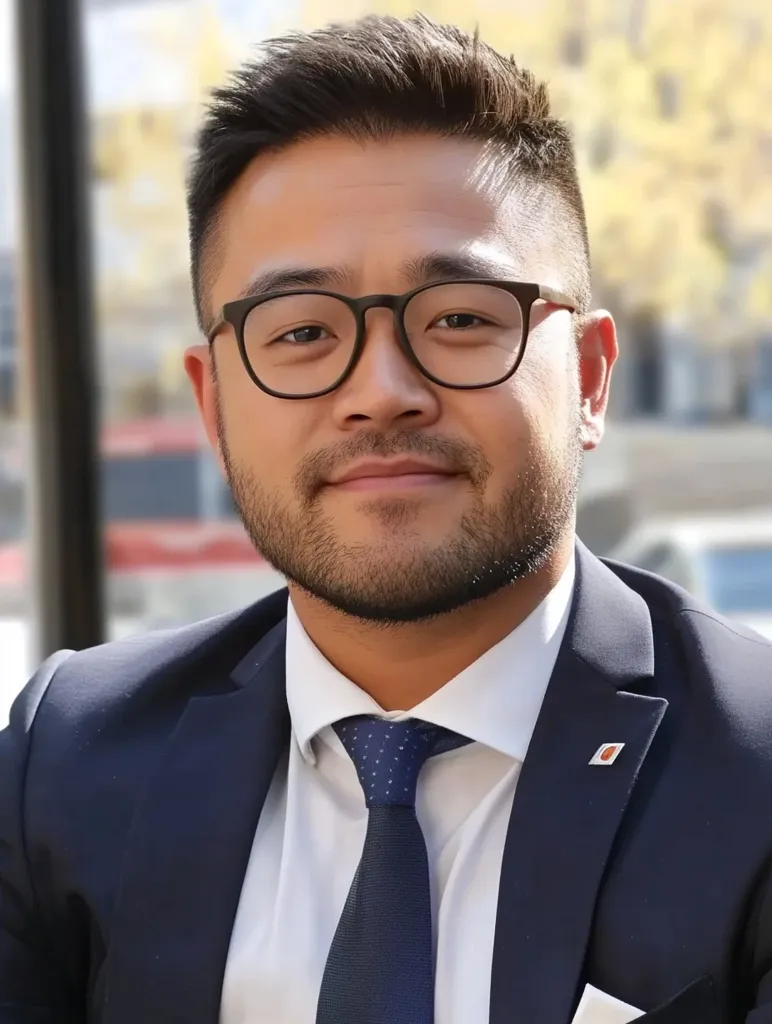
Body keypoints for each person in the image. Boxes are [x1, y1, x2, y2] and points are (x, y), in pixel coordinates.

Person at [1, 12, 771, 1024]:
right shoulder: (66, 758)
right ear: (213, 404)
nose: (380, 391)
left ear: (587, 377)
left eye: (458, 317)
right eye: (302, 331)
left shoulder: (751, 771)